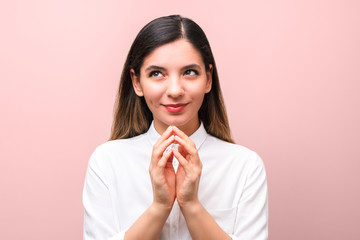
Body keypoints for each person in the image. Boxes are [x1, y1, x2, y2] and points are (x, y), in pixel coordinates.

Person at [83, 15, 268, 240]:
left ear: (208, 79)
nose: (175, 90)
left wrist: (191, 205)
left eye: (189, 72)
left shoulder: (245, 167)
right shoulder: (106, 162)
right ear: (137, 82)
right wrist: (160, 207)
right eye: (156, 73)